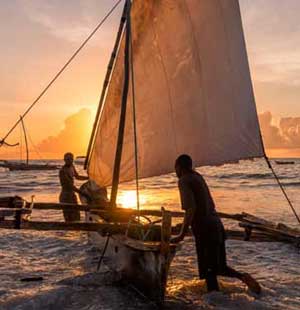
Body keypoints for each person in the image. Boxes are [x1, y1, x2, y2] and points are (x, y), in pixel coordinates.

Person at [171, 154, 261, 294]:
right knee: (220, 267)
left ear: (179, 167)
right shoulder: (197, 176)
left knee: (209, 272)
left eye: (175, 169)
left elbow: (191, 209)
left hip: (205, 229)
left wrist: (181, 234)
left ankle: (216, 303)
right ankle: (243, 277)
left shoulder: (184, 180)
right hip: (216, 225)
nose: (175, 172)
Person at [59, 152, 89, 222]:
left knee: (77, 216)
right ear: (64, 160)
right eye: (68, 159)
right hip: (65, 196)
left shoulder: (72, 166)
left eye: (71, 159)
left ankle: (75, 232)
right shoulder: (63, 171)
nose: (70, 160)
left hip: (72, 194)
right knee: (68, 218)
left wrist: (88, 178)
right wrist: (82, 193)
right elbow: (70, 186)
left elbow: (77, 176)